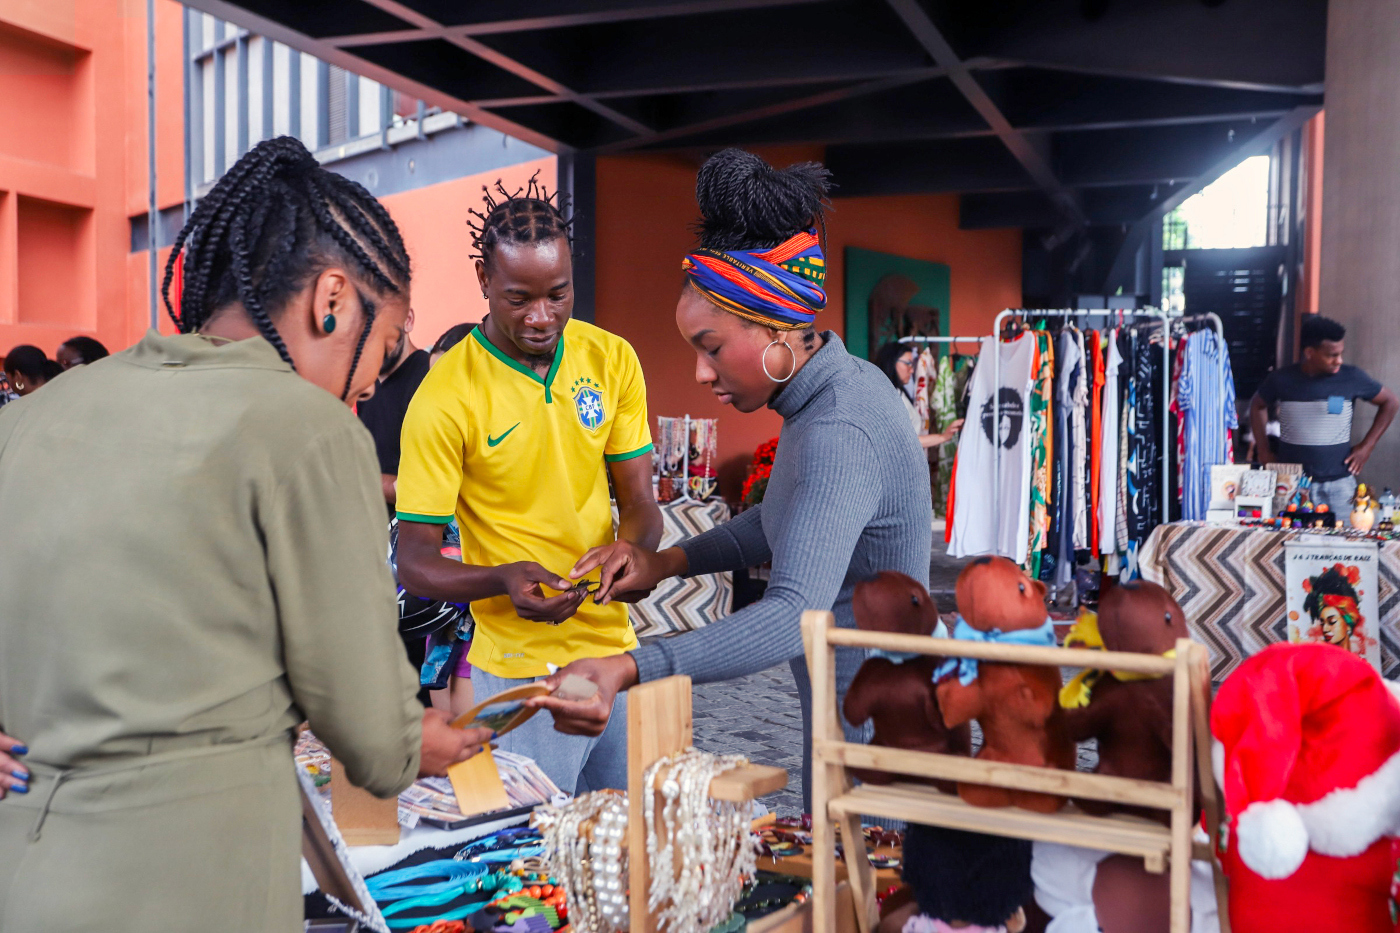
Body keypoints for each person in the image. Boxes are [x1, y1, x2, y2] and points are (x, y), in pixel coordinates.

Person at [0, 137, 488, 931]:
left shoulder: (38, 415)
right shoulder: (310, 430)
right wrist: (417, 737)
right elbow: (374, 738)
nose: (365, 390)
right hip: (191, 884)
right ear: (333, 298)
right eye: (383, 347)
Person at [532, 149, 935, 809]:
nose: (699, 373)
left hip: (878, 746)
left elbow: (787, 617)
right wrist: (662, 563)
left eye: (711, 346)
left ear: (775, 329)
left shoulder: (839, 427)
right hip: (851, 725)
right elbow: (783, 517)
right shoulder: (836, 391)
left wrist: (633, 666)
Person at [393, 177, 662, 795]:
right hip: (514, 671)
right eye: (519, 298)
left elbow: (642, 504)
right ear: (484, 281)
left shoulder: (612, 359)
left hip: (615, 657)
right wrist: (502, 578)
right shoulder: (445, 395)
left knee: (629, 852)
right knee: (534, 866)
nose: (542, 317)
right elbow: (414, 562)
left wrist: (633, 549)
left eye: (558, 295)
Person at [1251, 315, 1399, 513]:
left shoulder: (1352, 377)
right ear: (1310, 353)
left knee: (1347, 541)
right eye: (1332, 355)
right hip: (1290, 483)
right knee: (1285, 541)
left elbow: (1390, 402)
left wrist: (1367, 446)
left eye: (1341, 354)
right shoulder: (1281, 379)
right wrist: (1263, 451)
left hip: (1339, 484)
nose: (1339, 361)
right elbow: (1256, 406)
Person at [358, 306, 431, 507]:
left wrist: (355, 477)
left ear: (407, 319)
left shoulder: (429, 380)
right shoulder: (366, 384)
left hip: (413, 533)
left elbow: (427, 486)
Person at [875, 341, 964, 448]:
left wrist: (944, 436)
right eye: (908, 363)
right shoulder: (886, 398)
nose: (912, 370)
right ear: (891, 362)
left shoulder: (898, 393)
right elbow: (902, 441)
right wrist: (943, 437)